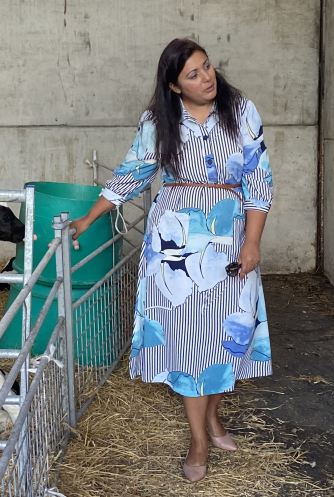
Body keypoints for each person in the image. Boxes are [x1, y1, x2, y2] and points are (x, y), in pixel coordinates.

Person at [70, 38, 274, 483]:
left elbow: (260, 178)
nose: (207, 78)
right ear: (174, 86)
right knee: (187, 337)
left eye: (207, 67)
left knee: (225, 336)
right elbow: (135, 171)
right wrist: (90, 216)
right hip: (175, 242)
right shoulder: (158, 121)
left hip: (230, 236)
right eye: (194, 75)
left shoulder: (241, 112)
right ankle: (198, 439)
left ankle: (213, 419)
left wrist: (253, 242)